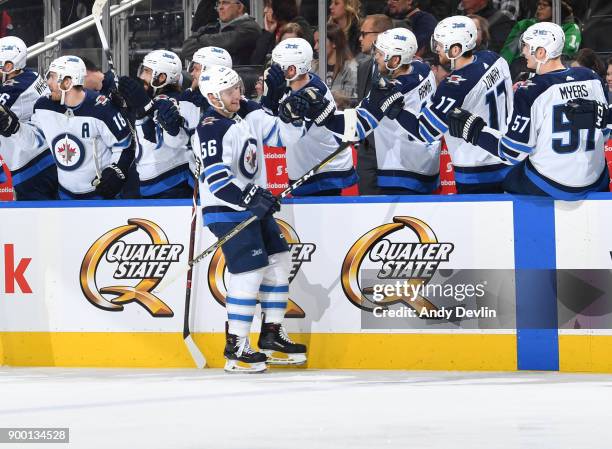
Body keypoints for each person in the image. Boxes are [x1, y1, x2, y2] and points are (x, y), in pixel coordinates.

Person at [194, 65, 307, 372]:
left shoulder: (249, 111)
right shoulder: (210, 127)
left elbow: (283, 137)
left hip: (252, 205)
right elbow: (217, 180)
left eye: (237, 88)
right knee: (249, 272)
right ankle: (236, 346)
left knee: (280, 259)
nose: (237, 94)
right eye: (230, 91)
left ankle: (271, 334)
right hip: (226, 209)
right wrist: (250, 197)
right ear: (214, 97)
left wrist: (292, 113)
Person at [447, 22, 609, 199]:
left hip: (551, 185)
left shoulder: (531, 90)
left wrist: (474, 130)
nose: (523, 51)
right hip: (596, 181)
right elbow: (605, 132)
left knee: (509, 175)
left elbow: (512, 152)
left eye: (527, 46)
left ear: (541, 52)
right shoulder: (591, 78)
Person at [379, 15, 514, 193]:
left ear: (456, 49)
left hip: (477, 170)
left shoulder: (453, 85)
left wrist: (396, 109)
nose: (437, 50)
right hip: (508, 159)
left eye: (441, 45)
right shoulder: (495, 59)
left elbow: (426, 132)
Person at [5, 55, 134, 200]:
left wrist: (116, 171)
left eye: (52, 77)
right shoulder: (44, 107)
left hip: (100, 195)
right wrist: (15, 128)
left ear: (67, 82)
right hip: (65, 195)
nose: (48, 83)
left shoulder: (102, 108)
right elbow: (34, 141)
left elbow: (124, 146)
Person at [262, 37, 358, 196]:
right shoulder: (292, 86)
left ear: (292, 70)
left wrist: (269, 102)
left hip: (324, 170)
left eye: (277, 65)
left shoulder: (311, 94)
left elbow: (286, 135)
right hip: (307, 165)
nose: (273, 69)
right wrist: (270, 101)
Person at [118, 50, 194, 199]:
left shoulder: (172, 102)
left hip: (173, 186)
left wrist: (144, 110)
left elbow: (168, 138)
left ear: (162, 77)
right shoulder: (151, 100)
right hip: (153, 186)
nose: (141, 76)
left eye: (146, 71)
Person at [0, 36, 57, 200]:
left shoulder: (14, 89)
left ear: (8, 66)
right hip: (48, 157)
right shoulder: (32, 75)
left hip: (30, 168)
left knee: (39, 223)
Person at [354, 13, 393, 195]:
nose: (360, 38)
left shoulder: (401, 67)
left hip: (393, 150)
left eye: (364, 33)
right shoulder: (363, 67)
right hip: (367, 151)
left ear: (381, 35)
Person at [181, 0, 261, 66]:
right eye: (219, 3)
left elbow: (228, 43)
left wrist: (201, 39)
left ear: (239, 7)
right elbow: (187, 49)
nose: (220, 7)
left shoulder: (251, 28)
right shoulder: (211, 27)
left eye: (225, 3)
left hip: (237, 79)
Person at [500, 0, 580, 66]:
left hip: (551, 69)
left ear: (558, 9)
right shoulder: (524, 25)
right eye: (539, 4)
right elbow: (508, 52)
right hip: (522, 67)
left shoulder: (571, 28)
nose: (539, 8)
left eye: (544, 5)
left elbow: (567, 52)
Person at [250, 0, 312, 65]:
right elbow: (255, 62)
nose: (265, 10)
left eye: (269, 6)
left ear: (281, 7)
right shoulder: (273, 31)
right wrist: (267, 33)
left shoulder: (300, 26)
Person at [313, 23, 358, 108]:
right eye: (315, 42)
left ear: (334, 43)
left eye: (319, 42)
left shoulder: (351, 67)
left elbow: (352, 100)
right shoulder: (314, 67)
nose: (315, 47)